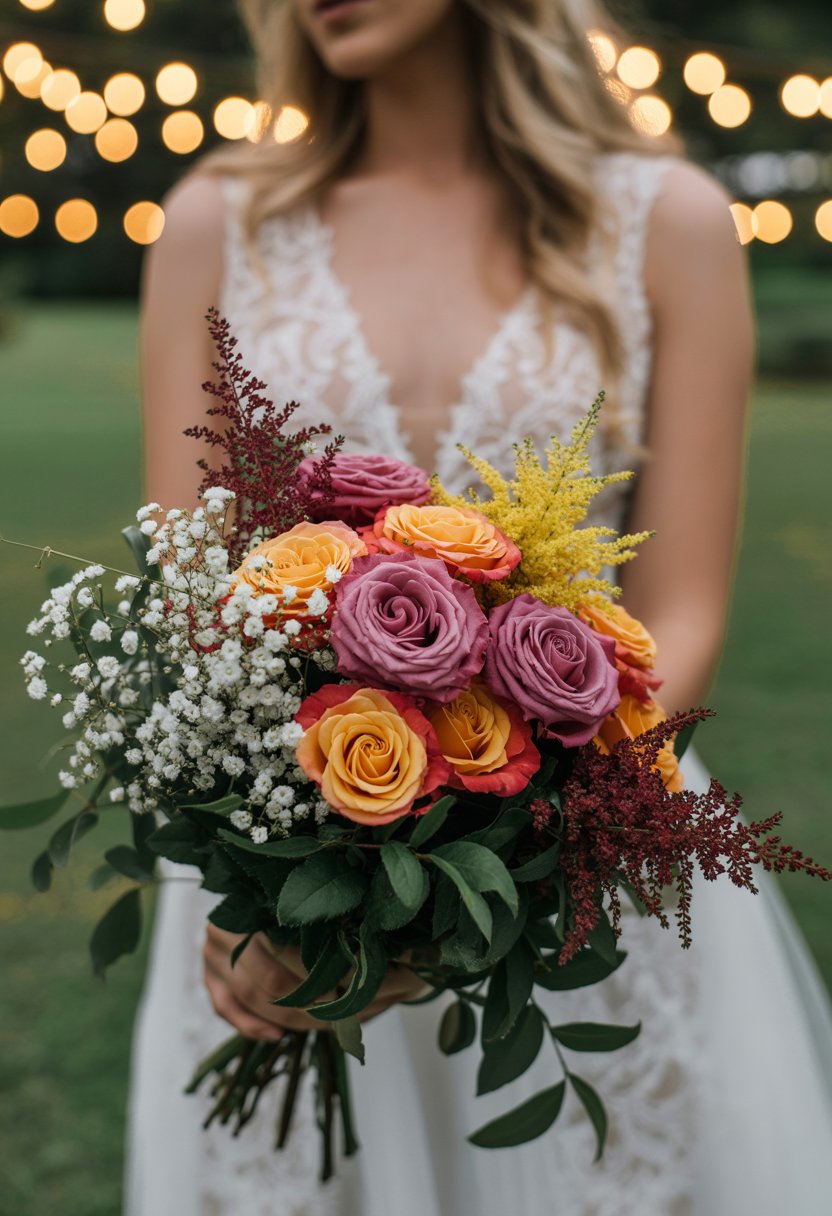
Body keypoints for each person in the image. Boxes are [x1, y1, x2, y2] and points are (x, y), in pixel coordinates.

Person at [130, 2, 832, 1213]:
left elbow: (681, 613)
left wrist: (502, 856)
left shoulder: (664, 222)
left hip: (583, 858)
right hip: (286, 885)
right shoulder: (215, 224)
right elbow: (196, 597)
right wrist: (315, 889)